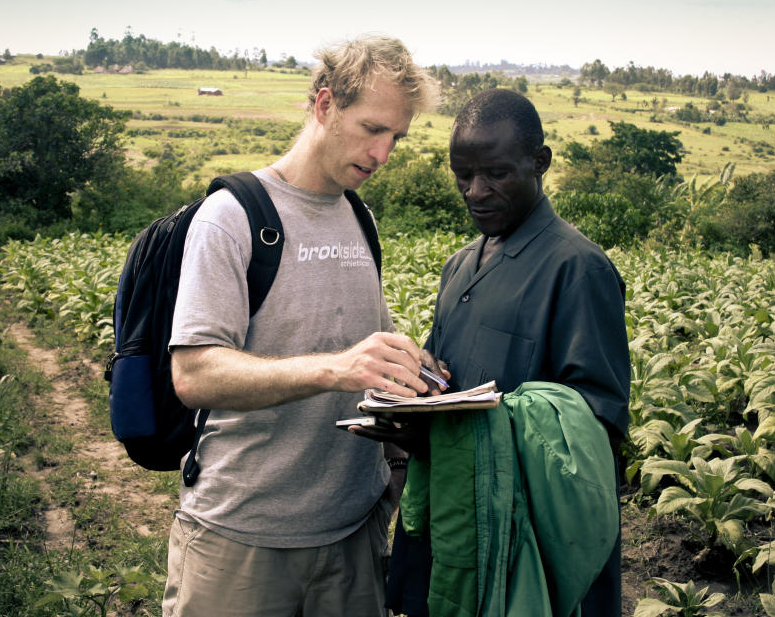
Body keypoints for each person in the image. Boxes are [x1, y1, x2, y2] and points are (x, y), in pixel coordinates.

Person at [161, 35, 440, 617]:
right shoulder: (232, 217)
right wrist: (334, 369)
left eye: (397, 137)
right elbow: (193, 374)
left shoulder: (360, 218)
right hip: (241, 539)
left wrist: (410, 373)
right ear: (324, 105)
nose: (384, 153)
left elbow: (362, 356)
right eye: (372, 129)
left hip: (353, 536)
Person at [366, 88, 631, 616]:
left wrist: (466, 430)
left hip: (528, 540)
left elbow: (596, 429)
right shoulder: (460, 265)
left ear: (540, 163)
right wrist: (415, 400)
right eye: (462, 175)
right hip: (458, 517)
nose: (475, 191)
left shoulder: (577, 268)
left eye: (496, 174)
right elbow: (446, 380)